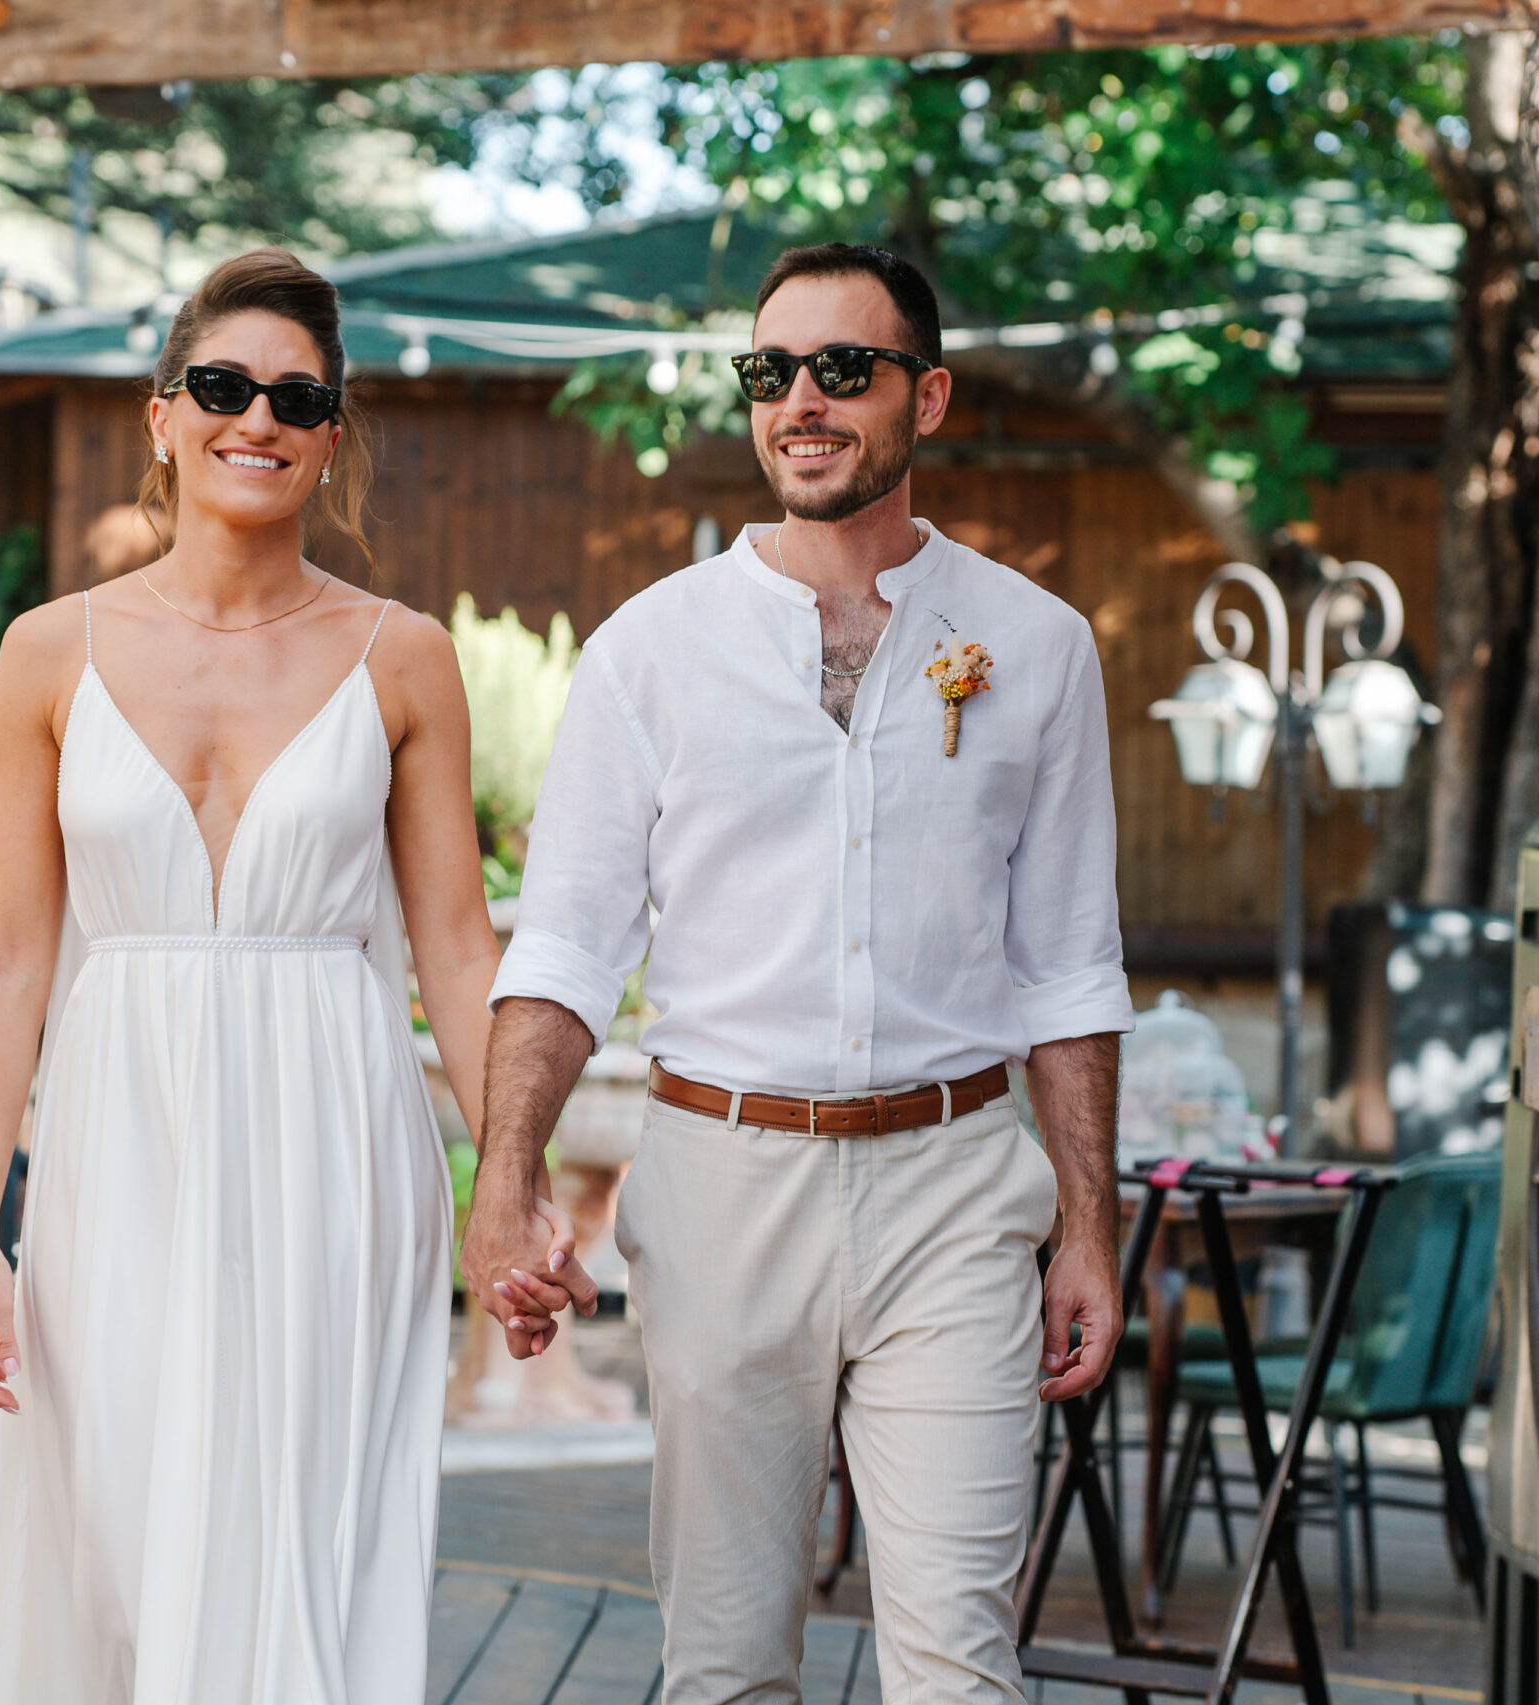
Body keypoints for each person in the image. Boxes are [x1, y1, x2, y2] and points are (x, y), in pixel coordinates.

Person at [464, 243, 1134, 1704]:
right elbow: (566, 947)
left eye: (844, 368)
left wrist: (1090, 1222)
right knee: (723, 1666)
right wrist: (505, 1179)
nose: (802, 402)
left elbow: (1071, 968)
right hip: (722, 1184)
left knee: (960, 1665)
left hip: (956, 1188)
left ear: (927, 397)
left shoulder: (1036, 646)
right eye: (772, 372)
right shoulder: (648, 652)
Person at [0, 250, 513, 1703]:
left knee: (294, 1555)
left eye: (296, 398)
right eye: (223, 385)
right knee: (111, 1544)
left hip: (335, 1146)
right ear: (164, 415)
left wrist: (512, 1180)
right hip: (115, 1148)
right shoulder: (49, 652)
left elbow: (457, 946)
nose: (257, 417)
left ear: (329, 437)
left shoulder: (405, 658)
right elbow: (5, 960)